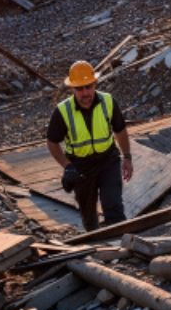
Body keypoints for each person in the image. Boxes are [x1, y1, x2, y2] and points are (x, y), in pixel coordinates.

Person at [46, 60, 134, 230]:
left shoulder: (108, 101)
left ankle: (120, 238)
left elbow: (120, 130)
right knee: (88, 215)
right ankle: (95, 240)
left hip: (108, 160)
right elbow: (52, 142)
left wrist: (127, 157)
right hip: (81, 167)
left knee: (113, 205)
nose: (85, 92)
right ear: (72, 89)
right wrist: (67, 166)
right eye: (79, 89)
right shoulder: (63, 111)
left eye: (88, 87)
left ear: (95, 84)